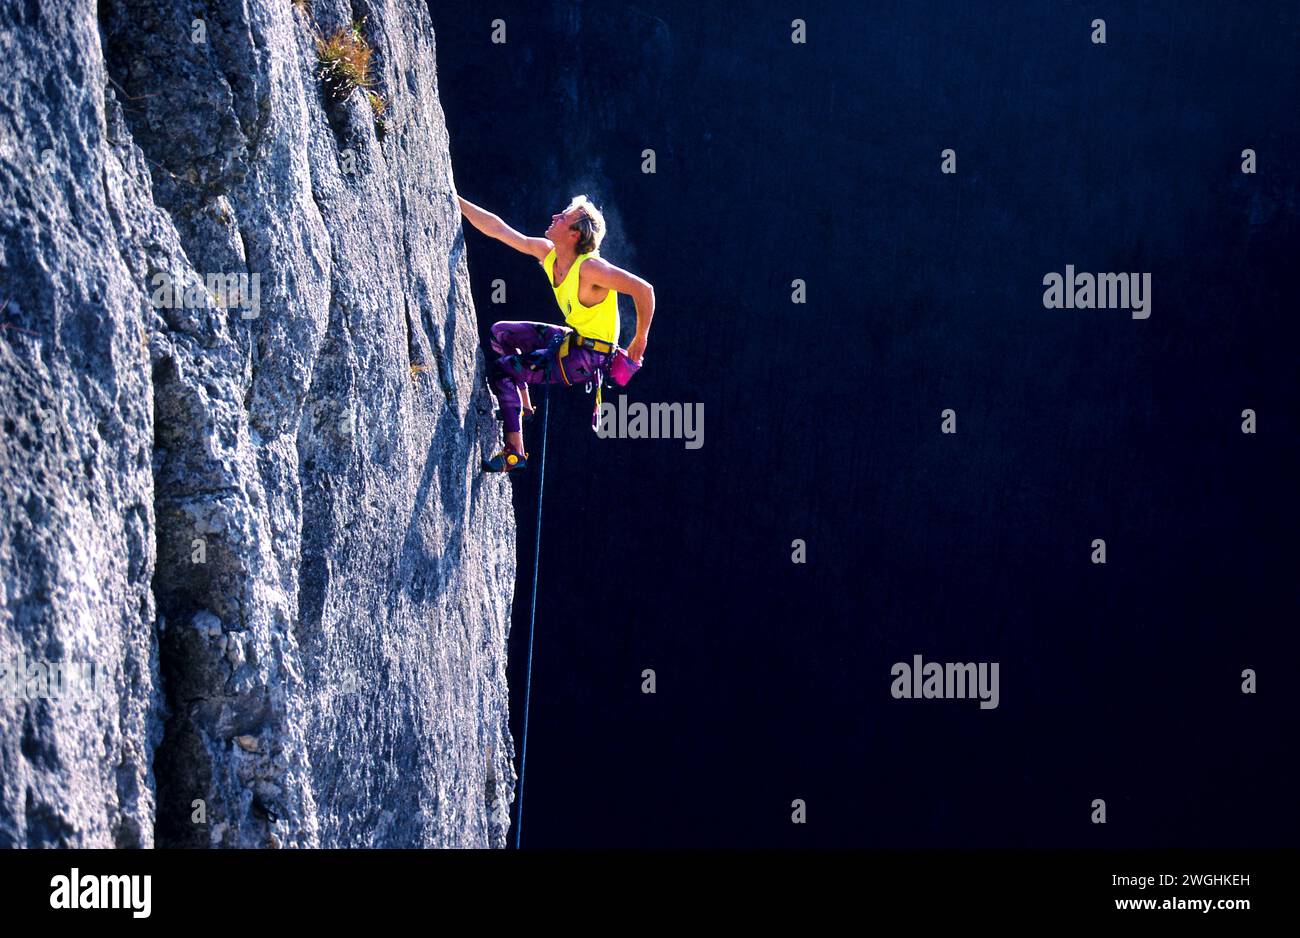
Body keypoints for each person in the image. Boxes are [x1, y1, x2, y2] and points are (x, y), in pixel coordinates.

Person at [456, 194, 655, 470]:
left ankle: (515, 451)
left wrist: (640, 337)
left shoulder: (590, 269)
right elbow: (500, 230)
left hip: (588, 357)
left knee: (504, 369)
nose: (554, 218)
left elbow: (644, 290)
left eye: (563, 217)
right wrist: (456, 200)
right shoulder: (549, 254)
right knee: (500, 334)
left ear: (575, 234)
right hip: (575, 339)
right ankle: (523, 405)